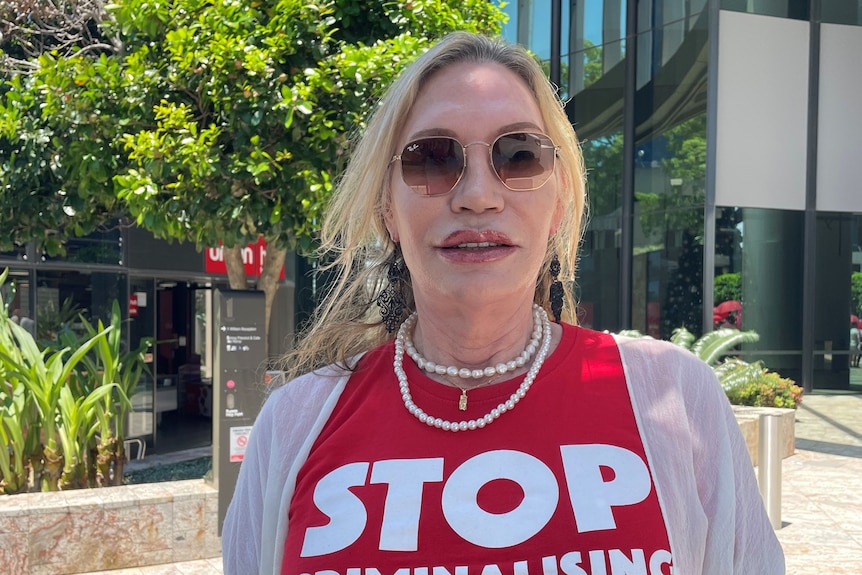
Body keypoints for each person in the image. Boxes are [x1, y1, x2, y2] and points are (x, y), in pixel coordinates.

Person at [223, 32, 784, 575]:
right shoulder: (294, 425)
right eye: (432, 159)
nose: (477, 196)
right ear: (387, 210)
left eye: (518, 156)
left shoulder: (676, 397)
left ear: (559, 203)